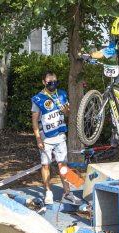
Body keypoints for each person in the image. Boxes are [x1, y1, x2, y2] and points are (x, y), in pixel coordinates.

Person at [31, 71, 81, 205]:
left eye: (55, 82)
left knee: (63, 165)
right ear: (44, 82)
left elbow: (68, 114)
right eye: (49, 82)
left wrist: (66, 112)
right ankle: (48, 192)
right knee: (45, 165)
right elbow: (34, 120)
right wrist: (38, 138)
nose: (53, 85)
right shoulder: (38, 99)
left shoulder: (63, 94)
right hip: (46, 138)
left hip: (60, 136)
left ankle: (67, 192)